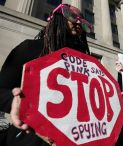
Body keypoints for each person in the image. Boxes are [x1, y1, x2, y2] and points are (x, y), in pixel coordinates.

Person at [0, 3, 92, 146]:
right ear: (56, 18)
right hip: (30, 138)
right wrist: (15, 101)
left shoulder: (84, 63)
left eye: (83, 21)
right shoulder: (30, 48)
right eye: (72, 15)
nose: (79, 21)